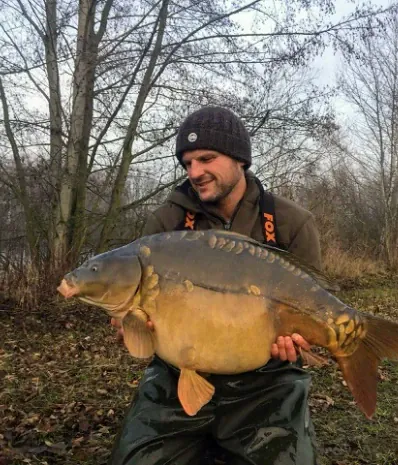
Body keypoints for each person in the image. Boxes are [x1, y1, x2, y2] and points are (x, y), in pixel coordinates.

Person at [109, 106, 323, 465]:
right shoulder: (166, 222)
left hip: (266, 381)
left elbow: (311, 305)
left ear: (240, 159)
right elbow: (140, 318)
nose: (195, 172)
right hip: (177, 378)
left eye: (206, 158)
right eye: (187, 163)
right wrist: (133, 329)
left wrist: (299, 342)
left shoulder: (290, 223)